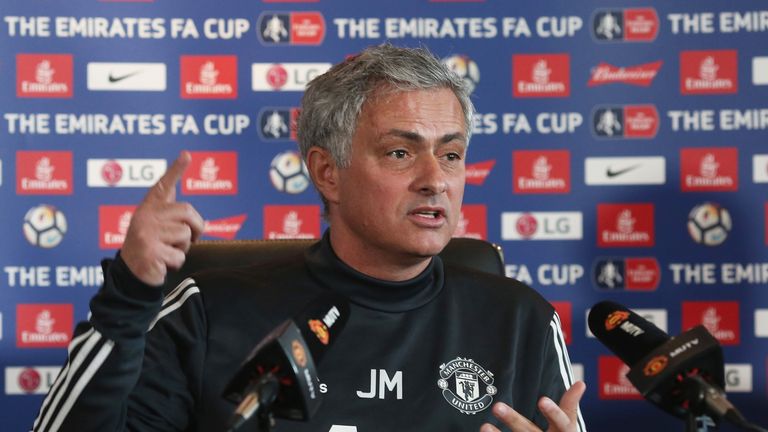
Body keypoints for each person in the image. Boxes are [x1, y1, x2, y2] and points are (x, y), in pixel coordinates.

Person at [32, 44, 586, 432]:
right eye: (400, 152)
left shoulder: (522, 320)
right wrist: (128, 297)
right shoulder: (209, 311)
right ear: (327, 172)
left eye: (451, 154)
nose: (435, 179)